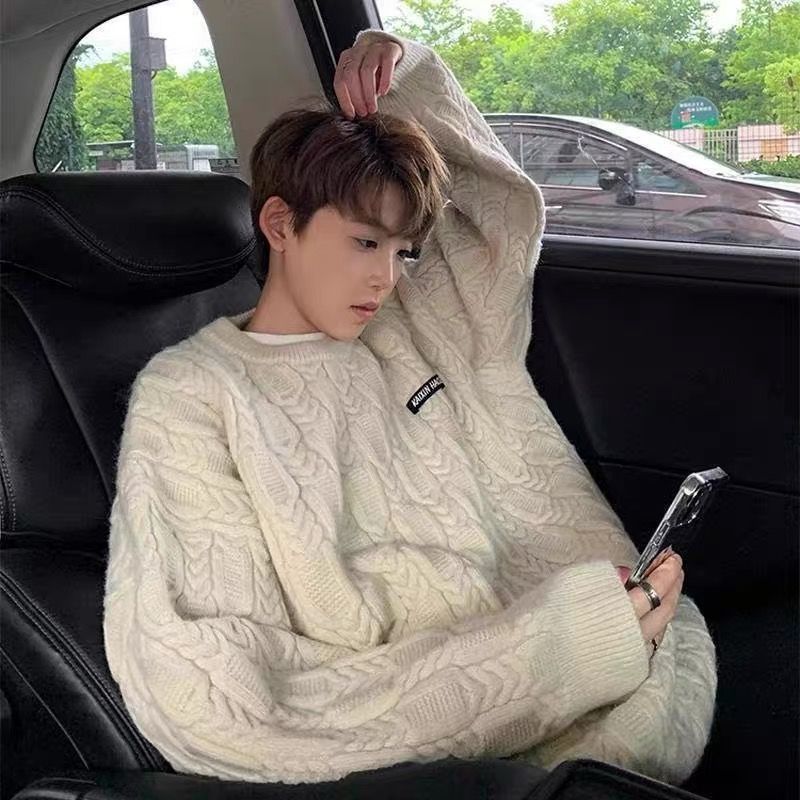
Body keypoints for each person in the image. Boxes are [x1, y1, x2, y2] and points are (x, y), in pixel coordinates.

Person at [102, 29, 717, 787]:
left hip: (594, 643)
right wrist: (552, 649)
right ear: (281, 224)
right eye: (365, 243)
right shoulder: (191, 396)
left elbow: (498, 216)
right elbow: (223, 693)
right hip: (429, 723)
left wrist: (406, 70)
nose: (387, 279)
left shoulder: (411, 330)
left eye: (404, 251)